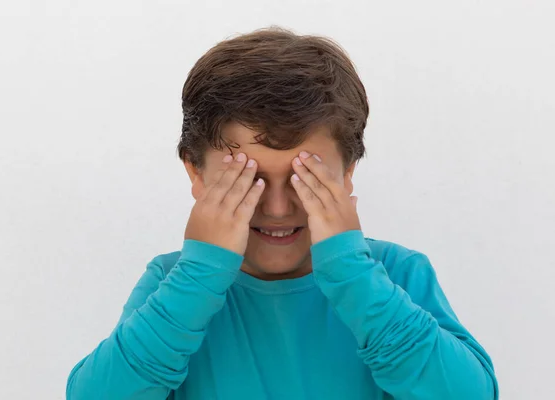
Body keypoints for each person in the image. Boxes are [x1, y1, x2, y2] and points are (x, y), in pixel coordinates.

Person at [66, 27, 498, 400]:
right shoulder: (175, 284)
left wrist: (351, 272)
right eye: (246, 181)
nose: (276, 208)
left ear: (348, 173)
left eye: (303, 179)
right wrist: (199, 275)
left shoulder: (396, 274)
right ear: (195, 173)